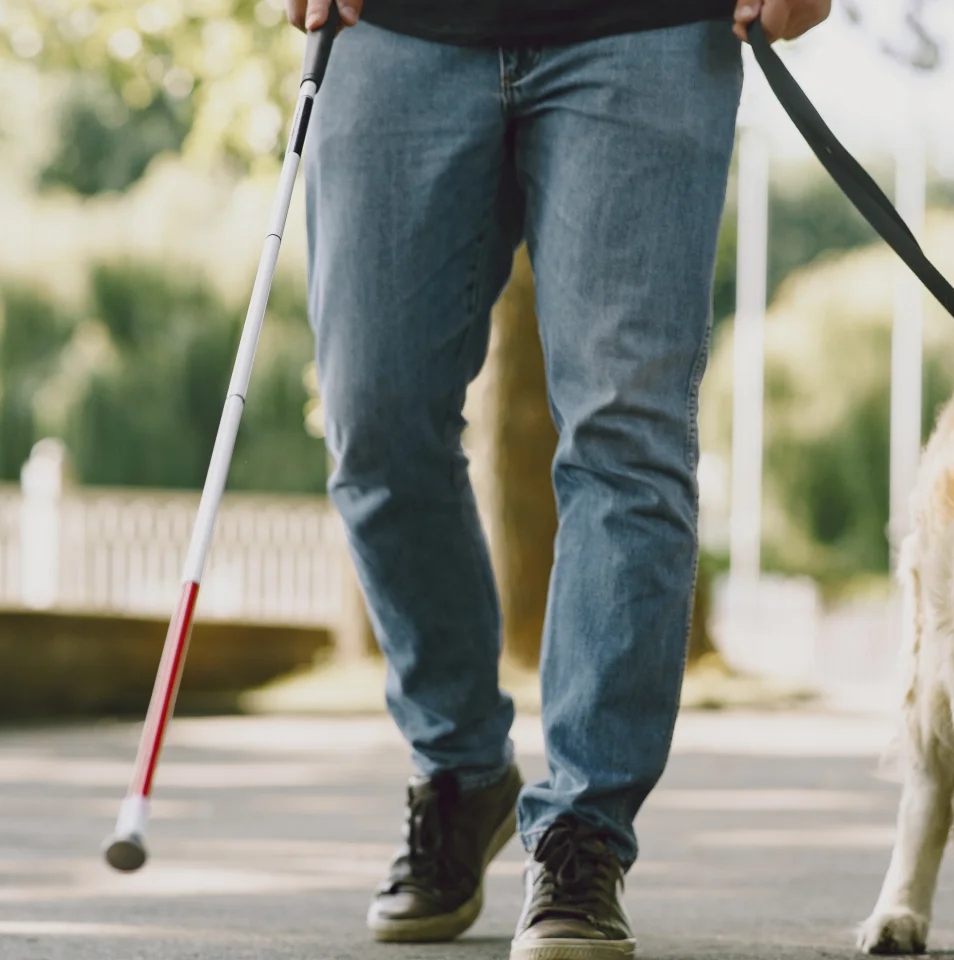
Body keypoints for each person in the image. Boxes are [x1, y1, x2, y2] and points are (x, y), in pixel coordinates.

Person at [286, 0, 830, 957]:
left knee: (630, 431)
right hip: (400, 30)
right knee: (374, 421)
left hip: (647, 31)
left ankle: (585, 830)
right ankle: (459, 771)